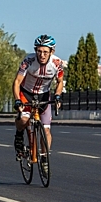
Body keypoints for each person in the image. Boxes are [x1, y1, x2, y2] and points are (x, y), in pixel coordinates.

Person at [12, 34, 64, 172]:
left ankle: (44, 157)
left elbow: (60, 82)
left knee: (46, 129)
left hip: (43, 96)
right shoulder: (28, 61)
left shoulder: (57, 63)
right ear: (35, 50)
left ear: (52, 52)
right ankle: (19, 134)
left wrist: (58, 96)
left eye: (45, 52)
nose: (42, 55)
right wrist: (18, 100)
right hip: (26, 93)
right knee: (23, 119)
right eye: (39, 51)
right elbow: (17, 82)